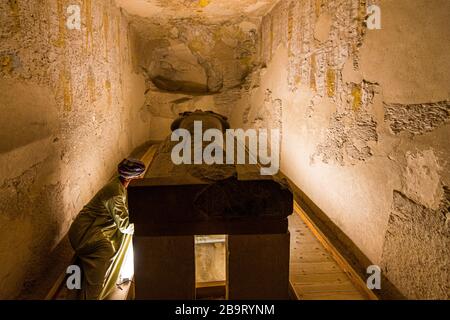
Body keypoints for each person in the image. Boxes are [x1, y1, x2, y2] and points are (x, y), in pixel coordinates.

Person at [68, 158, 146, 300]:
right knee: (105, 250)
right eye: (140, 177)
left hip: (91, 229)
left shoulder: (119, 185)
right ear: (133, 178)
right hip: (84, 233)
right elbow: (124, 226)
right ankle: (94, 295)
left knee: (122, 237)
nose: (142, 180)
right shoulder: (115, 193)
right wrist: (147, 225)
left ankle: (114, 275)